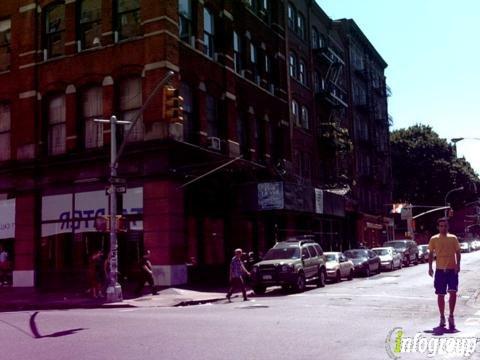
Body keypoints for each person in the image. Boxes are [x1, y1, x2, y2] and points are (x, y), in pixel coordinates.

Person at [428, 218, 461, 330]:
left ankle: (451, 316)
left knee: (453, 293)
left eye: (445, 226)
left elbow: (458, 252)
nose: (443, 228)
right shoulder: (434, 239)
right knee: (440, 294)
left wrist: (458, 265)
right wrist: (430, 268)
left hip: (452, 270)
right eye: (441, 226)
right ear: (438, 227)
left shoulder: (453, 238)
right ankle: (442, 316)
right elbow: (431, 254)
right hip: (440, 271)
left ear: (448, 227)